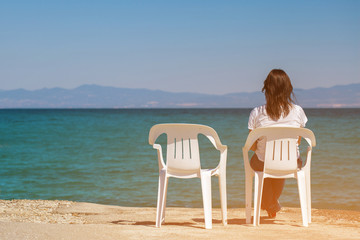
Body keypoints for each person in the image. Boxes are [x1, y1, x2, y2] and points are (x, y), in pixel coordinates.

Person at [248, 69, 308, 218]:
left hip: (263, 162)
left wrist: (265, 149)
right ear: (288, 88)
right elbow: (298, 140)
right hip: (291, 162)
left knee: (257, 161)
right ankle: (271, 204)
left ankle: (270, 203)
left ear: (267, 88)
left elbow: (251, 144)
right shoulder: (298, 111)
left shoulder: (257, 112)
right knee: (282, 159)